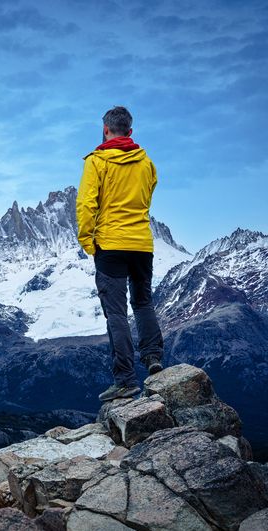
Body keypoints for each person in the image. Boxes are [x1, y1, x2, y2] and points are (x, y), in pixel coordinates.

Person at [76, 106, 165, 402]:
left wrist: (88, 242)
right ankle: (153, 357)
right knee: (143, 302)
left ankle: (125, 379)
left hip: (111, 245)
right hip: (141, 243)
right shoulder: (147, 163)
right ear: (130, 132)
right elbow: (148, 195)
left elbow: (87, 205)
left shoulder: (96, 162)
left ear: (105, 130)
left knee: (115, 312)